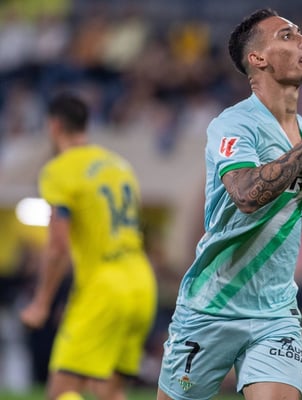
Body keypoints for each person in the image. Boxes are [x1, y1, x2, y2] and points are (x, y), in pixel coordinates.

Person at [157, 8, 302, 400]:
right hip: (211, 307)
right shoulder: (234, 125)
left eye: (301, 34)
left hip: (275, 313)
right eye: (287, 35)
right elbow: (247, 195)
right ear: (257, 58)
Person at [20, 92, 157, 400]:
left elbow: (57, 247)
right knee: (110, 392)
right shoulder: (119, 165)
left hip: (104, 287)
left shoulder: (59, 170)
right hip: (141, 283)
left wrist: (41, 303)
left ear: (54, 126)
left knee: (61, 392)